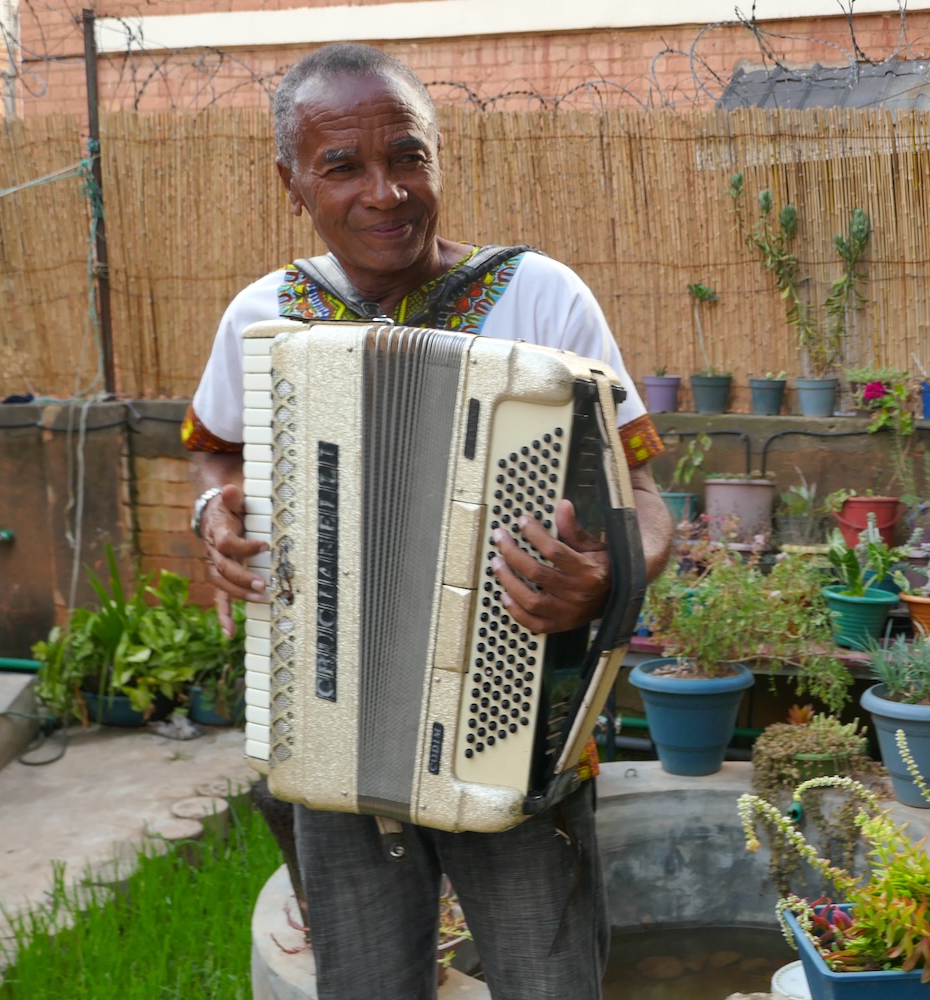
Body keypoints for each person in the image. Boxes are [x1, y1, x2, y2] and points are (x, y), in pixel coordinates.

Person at [183, 42, 672, 1000]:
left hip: (518, 732)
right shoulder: (264, 318)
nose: (386, 191)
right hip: (331, 727)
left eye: (407, 156)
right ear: (292, 183)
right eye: (344, 166)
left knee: (550, 982)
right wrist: (213, 509)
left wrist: (610, 568)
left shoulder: (541, 298)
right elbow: (215, 447)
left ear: (437, 156)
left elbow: (647, 501)